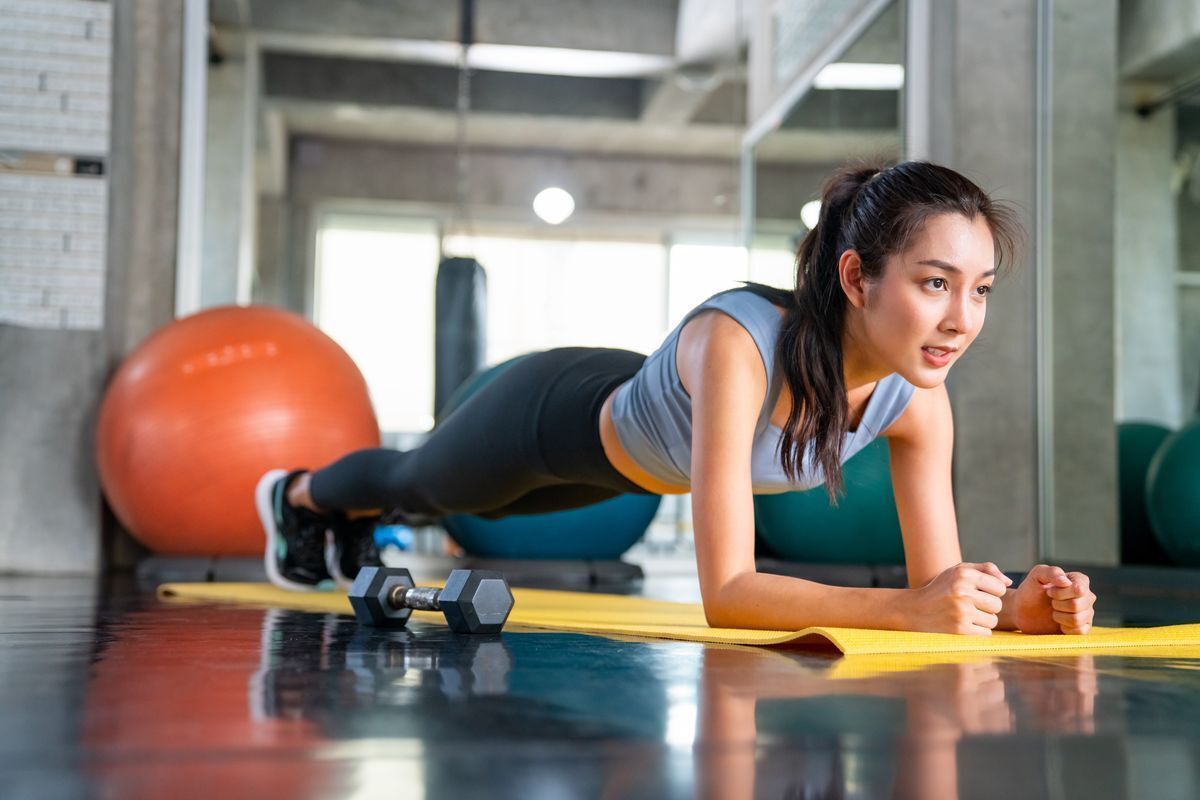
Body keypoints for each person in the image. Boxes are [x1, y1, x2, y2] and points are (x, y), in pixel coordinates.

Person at [256, 160, 1097, 637]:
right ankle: (297, 495)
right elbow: (728, 592)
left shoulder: (918, 404)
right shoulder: (741, 346)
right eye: (936, 283)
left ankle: (337, 518)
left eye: (981, 290)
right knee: (424, 486)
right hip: (554, 417)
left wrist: (1016, 605)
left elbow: (938, 589)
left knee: (483, 512)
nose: (962, 320)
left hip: (629, 473)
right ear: (856, 278)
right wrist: (911, 610)